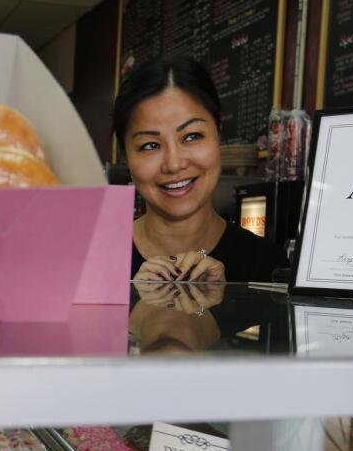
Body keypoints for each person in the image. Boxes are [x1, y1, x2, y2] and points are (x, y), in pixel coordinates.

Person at [114, 56, 285, 283]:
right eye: (150, 145)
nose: (174, 164)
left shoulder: (268, 265)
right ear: (126, 157)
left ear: (218, 134)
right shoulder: (97, 261)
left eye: (192, 136)